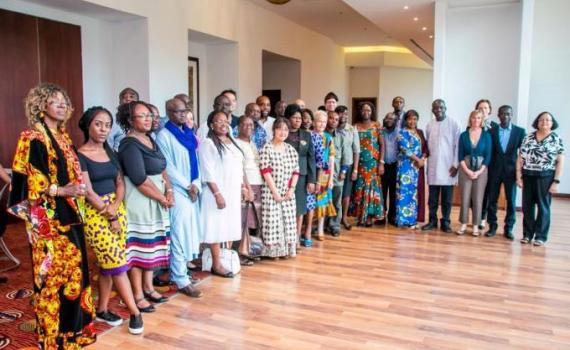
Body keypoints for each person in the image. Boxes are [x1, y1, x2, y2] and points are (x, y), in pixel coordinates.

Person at [8, 83, 96, 348]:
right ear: (41, 105)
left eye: (64, 102)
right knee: (52, 280)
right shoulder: (32, 136)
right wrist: (63, 189)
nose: (62, 105)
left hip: (71, 214)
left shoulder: (64, 137)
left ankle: (74, 332)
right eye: (54, 101)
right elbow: (28, 182)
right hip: (47, 221)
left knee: (76, 275)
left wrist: (75, 192)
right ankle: (53, 337)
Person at [77, 106, 143, 334]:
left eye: (107, 124)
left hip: (117, 209)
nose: (104, 129)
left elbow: (120, 183)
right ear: (87, 125)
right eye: (98, 124)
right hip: (96, 214)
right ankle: (135, 312)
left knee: (109, 264)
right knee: (116, 264)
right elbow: (87, 191)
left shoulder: (110, 152)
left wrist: (116, 208)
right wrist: (110, 213)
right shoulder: (80, 155)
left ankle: (102, 309)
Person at [117, 100, 173, 312]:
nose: (149, 119)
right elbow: (139, 179)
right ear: (130, 120)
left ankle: (149, 287)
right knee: (140, 249)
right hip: (140, 200)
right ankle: (138, 294)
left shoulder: (150, 138)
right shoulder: (129, 144)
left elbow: (162, 167)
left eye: (150, 115)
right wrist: (161, 197)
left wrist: (169, 191)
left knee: (152, 246)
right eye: (143, 115)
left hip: (157, 196)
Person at [155, 98, 203, 298]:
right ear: (169, 112)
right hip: (177, 190)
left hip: (192, 189)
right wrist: (187, 185)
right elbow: (166, 167)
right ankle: (180, 278)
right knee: (179, 235)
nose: (182, 115)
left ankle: (183, 272)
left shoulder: (188, 133)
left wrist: (197, 184)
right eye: (177, 112)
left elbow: (196, 162)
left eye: (185, 111)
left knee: (190, 233)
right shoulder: (164, 136)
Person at [199, 111, 247, 277]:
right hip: (216, 193)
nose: (223, 124)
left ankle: (225, 259)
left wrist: (243, 188)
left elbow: (239, 167)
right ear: (211, 125)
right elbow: (207, 171)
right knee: (216, 228)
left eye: (225, 121)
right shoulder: (208, 143)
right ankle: (216, 264)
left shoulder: (232, 141)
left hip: (232, 191)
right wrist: (217, 194)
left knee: (228, 226)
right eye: (218, 121)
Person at [517, 112, 565, 246]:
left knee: (543, 207)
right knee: (527, 207)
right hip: (528, 175)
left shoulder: (556, 138)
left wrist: (556, 181)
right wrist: (518, 176)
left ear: (552, 123)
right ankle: (527, 234)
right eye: (541, 120)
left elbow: (560, 161)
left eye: (548, 120)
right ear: (537, 122)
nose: (544, 122)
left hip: (546, 177)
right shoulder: (528, 137)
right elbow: (520, 158)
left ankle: (541, 236)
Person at [260, 118, 300, 258]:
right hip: (271, 192)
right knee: (273, 222)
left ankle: (287, 250)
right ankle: (274, 252)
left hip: (288, 191)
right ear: (274, 130)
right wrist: (275, 193)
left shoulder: (291, 150)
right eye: (280, 128)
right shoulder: (267, 148)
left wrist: (291, 189)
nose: (283, 132)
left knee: (288, 221)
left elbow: (296, 171)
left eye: (286, 129)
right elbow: (265, 171)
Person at [485, 105, 525, 239]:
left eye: (508, 114)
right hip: (494, 171)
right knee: (492, 200)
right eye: (502, 114)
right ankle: (492, 226)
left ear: (511, 115)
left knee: (511, 201)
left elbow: (523, 154)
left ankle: (509, 228)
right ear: (498, 115)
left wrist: (521, 174)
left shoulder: (519, 132)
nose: (505, 116)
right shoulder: (491, 131)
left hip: (511, 172)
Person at [421, 99, 461, 233]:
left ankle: (446, 222)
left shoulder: (454, 124)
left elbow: (458, 146)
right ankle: (432, 221)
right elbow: (427, 146)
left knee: (447, 199)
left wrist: (456, 165)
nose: (438, 110)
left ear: (445, 108)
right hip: (433, 167)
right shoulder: (429, 125)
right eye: (436, 108)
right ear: (432, 110)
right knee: (432, 199)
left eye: (441, 107)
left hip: (449, 167)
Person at [284, 104, 316, 247]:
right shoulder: (282, 133)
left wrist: (312, 180)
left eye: (299, 118)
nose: (298, 120)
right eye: (294, 117)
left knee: (300, 207)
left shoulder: (306, 135)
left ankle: (296, 237)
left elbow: (311, 158)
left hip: (302, 175)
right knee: (285, 205)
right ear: (288, 118)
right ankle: (285, 237)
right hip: (284, 174)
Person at [456, 110, 492, 236]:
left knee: (478, 198)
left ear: (482, 120)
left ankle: (476, 225)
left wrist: (479, 172)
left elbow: (488, 156)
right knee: (465, 197)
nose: (476, 120)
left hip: (481, 170)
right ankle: (463, 223)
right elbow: (460, 155)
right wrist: (467, 170)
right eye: (473, 118)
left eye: (478, 118)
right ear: (470, 119)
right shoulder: (463, 135)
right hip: (465, 167)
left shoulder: (487, 136)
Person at [350, 102, 385, 226]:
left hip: (373, 163)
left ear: (372, 112)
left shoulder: (377, 125)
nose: (366, 112)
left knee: (371, 188)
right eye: (364, 110)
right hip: (359, 162)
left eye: (368, 110)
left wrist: (381, 163)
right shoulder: (355, 126)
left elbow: (382, 144)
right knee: (360, 188)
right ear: (360, 111)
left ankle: (369, 217)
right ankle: (360, 216)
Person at [234, 115, 263, 264]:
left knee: (253, 221)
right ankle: (241, 253)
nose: (248, 128)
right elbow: (239, 168)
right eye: (244, 125)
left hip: (257, 183)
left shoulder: (252, 143)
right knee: (243, 220)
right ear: (238, 126)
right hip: (247, 184)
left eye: (251, 125)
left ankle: (251, 250)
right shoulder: (236, 142)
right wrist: (245, 187)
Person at [306, 110, 336, 241]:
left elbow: (331, 158)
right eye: (319, 121)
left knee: (322, 203)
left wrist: (331, 179)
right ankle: (307, 228)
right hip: (310, 172)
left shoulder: (329, 138)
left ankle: (320, 229)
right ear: (314, 122)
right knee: (310, 202)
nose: (322, 124)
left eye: (324, 122)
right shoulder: (308, 136)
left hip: (325, 174)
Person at [395, 110, 425, 229]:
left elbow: (423, 148)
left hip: (415, 168)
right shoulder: (402, 132)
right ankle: (402, 220)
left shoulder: (418, 133)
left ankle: (411, 220)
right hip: (405, 166)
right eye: (410, 119)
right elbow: (405, 149)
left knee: (412, 194)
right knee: (403, 192)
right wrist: (418, 160)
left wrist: (422, 159)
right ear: (405, 120)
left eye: (415, 119)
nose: (412, 121)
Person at [326, 110, 351, 236]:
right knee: (323, 201)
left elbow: (346, 156)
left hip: (336, 175)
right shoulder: (320, 134)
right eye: (331, 118)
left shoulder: (341, 136)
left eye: (336, 119)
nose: (334, 121)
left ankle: (335, 225)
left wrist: (344, 170)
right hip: (322, 176)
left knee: (336, 201)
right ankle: (323, 224)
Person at [335, 105, 360, 230]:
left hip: (348, 165)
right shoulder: (332, 129)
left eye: (345, 114)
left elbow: (356, 150)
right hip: (334, 166)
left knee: (346, 193)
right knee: (335, 193)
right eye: (340, 113)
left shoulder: (352, 129)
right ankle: (333, 218)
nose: (343, 116)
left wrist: (355, 169)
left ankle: (343, 217)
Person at [474, 99, 493, 230]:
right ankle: (475, 216)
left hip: (490, 165)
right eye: (480, 108)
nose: (483, 110)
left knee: (486, 193)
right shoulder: (471, 126)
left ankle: (482, 218)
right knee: (474, 193)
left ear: (489, 111)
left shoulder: (495, 127)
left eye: (485, 108)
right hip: (474, 165)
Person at [380, 112, 399, 226]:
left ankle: (392, 216)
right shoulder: (381, 132)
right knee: (382, 191)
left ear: (396, 120)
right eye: (387, 118)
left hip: (395, 165)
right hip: (383, 165)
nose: (389, 120)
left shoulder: (399, 132)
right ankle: (382, 215)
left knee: (393, 192)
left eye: (392, 118)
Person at [109, 87, 139, 151]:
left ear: (138, 102)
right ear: (120, 102)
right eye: (124, 97)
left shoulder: (144, 120)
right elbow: (108, 145)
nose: (128, 99)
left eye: (131, 97)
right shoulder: (113, 122)